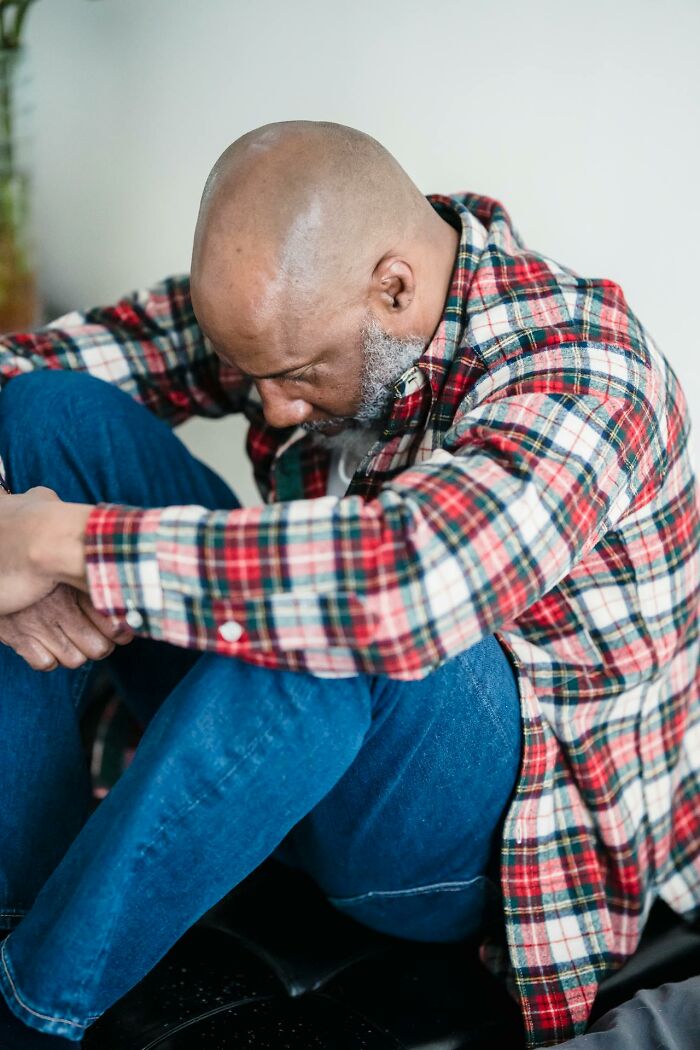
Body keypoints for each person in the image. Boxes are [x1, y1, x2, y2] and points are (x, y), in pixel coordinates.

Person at [0, 120, 696, 1048]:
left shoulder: (589, 371)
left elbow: (395, 590)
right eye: (254, 378)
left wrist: (60, 545)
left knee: (329, 620)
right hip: (273, 738)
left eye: (292, 377)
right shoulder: (301, 295)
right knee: (46, 418)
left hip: (478, 846)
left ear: (396, 287)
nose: (273, 404)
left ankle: (31, 1011)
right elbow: (27, 362)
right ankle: (15, 905)